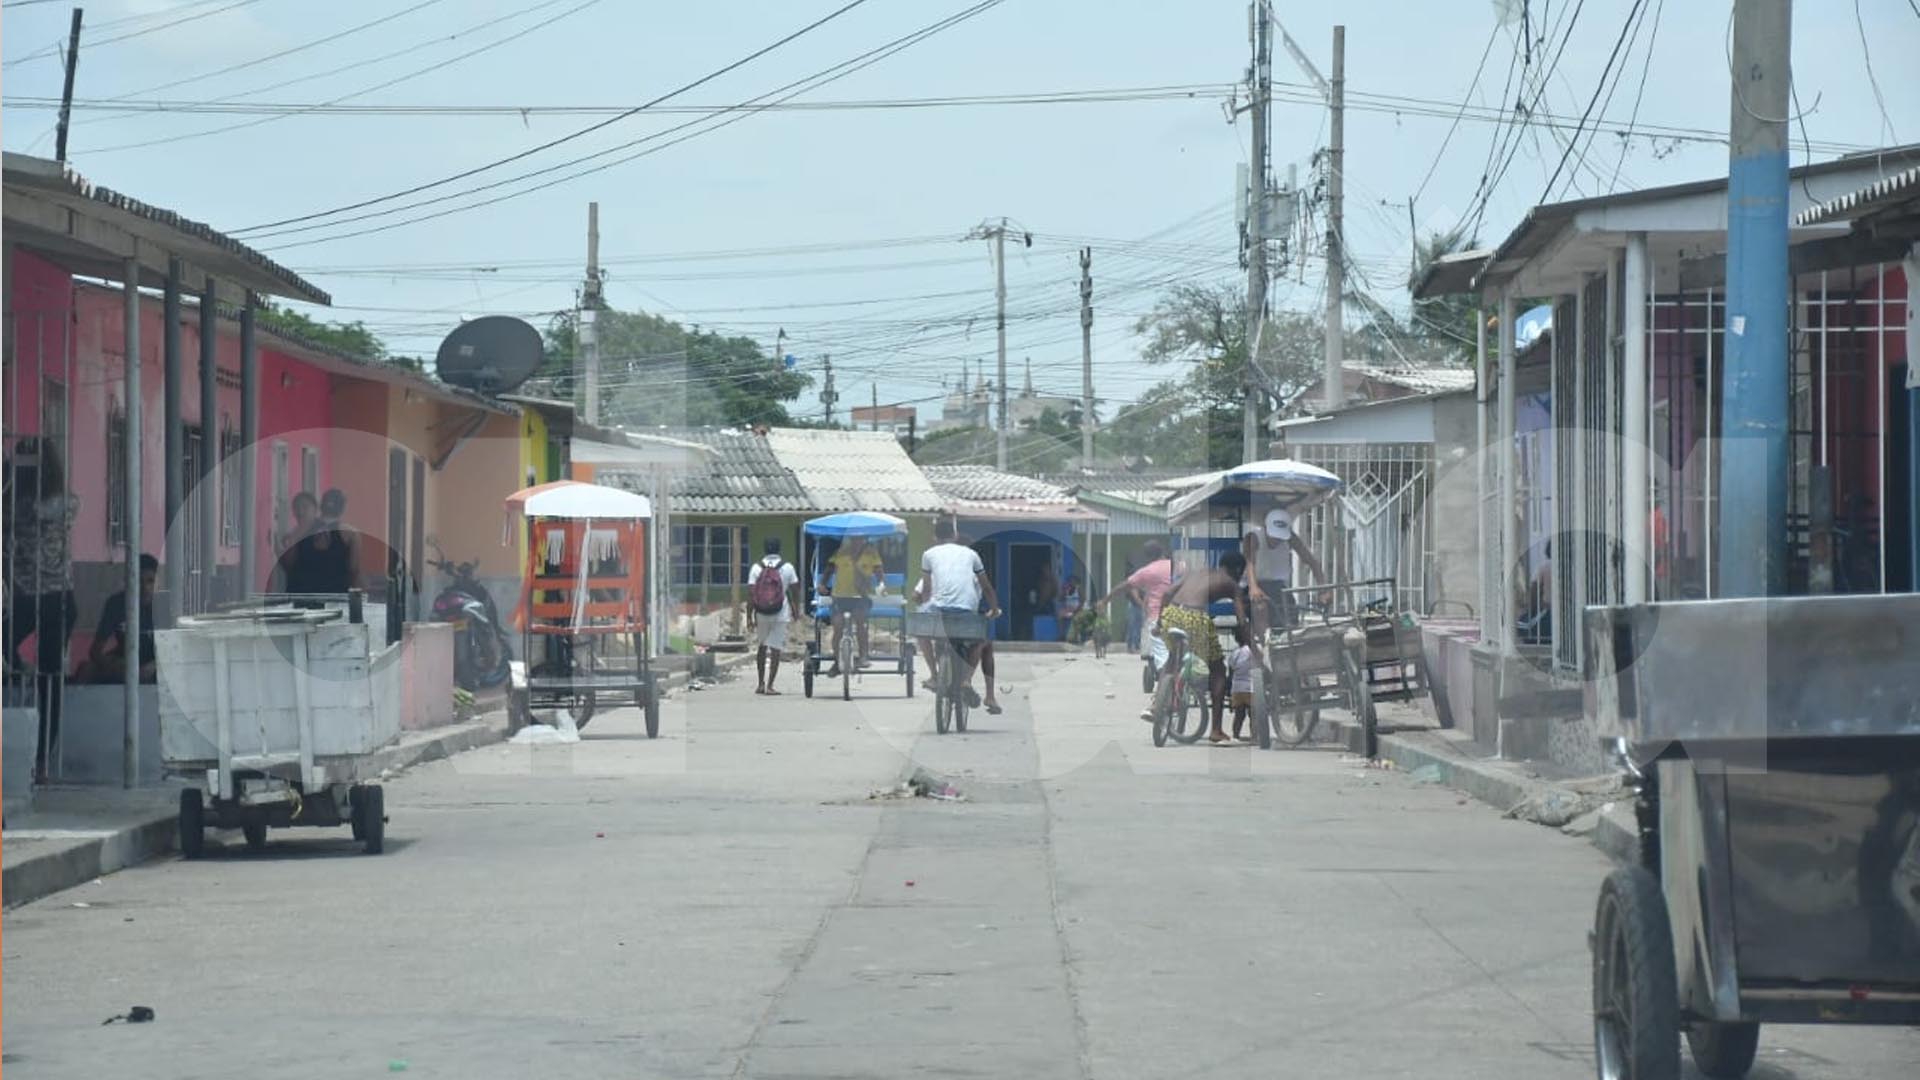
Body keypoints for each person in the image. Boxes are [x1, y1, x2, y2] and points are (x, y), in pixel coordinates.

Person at [4, 438, 78, 781]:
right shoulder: (63, 503)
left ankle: (41, 759)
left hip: (43, 598)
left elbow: (36, 513)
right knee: (48, 679)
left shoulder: (25, 506)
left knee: (48, 676)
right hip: (42, 598)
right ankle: (41, 758)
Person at [1150, 551, 1251, 744]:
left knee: (1173, 658)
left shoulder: (1195, 572)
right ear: (1237, 570)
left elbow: (1168, 593)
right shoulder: (1232, 584)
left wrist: (1159, 624)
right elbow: (1242, 621)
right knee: (1218, 670)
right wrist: (1249, 644)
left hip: (1172, 613)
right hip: (1195, 618)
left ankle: (1156, 704)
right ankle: (1216, 729)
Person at [914, 518, 1001, 710]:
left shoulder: (928, 555)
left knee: (921, 631)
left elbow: (925, 590)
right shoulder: (972, 555)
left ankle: (935, 676)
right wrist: (994, 608)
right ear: (954, 536)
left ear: (935, 537)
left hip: (938, 611)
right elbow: (986, 587)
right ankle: (968, 681)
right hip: (965, 613)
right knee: (982, 641)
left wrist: (923, 607)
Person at [1241, 507, 1328, 639]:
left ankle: (1289, 643)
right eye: (1274, 536)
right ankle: (1266, 644)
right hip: (1253, 585)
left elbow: (1312, 562)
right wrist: (1253, 587)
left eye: (1280, 537)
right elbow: (1250, 563)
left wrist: (1323, 589)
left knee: (1291, 613)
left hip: (1278, 587)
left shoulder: (1291, 538)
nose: (1277, 540)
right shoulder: (1253, 538)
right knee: (1260, 607)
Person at [78, 554, 158, 685]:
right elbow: (95, 651)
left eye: (150, 581)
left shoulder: (166, 605)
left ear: (158, 582)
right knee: (86, 670)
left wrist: (154, 667)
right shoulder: (116, 604)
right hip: (123, 663)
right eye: (138, 581)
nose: (145, 588)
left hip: (153, 667)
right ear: (129, 581)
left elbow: (176, 653)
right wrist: (114, 665)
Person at [746, 538, 801, 696]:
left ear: (764, 549)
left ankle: (760, 684)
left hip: (761, 612)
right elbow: (796, 589)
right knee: (775, 649)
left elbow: (751, 593)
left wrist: (749, 617)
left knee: (762, 647)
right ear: (779, 549)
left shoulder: (756, 568)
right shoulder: (788, 567)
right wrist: (796, 608)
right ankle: (770, 685)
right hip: (780, 613)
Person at [822, 534, 883, 673]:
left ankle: (863, 656)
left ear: (864, 538)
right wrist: (823, 584)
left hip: (861, 597)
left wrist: (881, 584)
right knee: (837, 626)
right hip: (839, 596)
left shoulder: (871, 553)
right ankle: (837, 661)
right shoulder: (840, 552)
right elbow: (829, 569)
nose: (857, 540)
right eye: (854, 537)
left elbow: (879, 570)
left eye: (860, 537)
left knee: (861, 622)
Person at [288, 488, 360, 597]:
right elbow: (353, 569)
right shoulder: (351, 534)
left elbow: (290, 563)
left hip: (303, 594)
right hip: (336, 595)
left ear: (321, 506)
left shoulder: (301, 529)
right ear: (342, 509)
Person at [272, 491, 320, 594]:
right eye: (297, 508)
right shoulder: (291, 535)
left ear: (315, 510)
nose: (300, 512)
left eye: (305, 507)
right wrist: (276, 544)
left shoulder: (321, 533)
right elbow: (287, 563)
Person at [1227, 624, 1256, 742]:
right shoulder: (1253, 651)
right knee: (1252, 714)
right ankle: (1255, 736)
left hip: (1237, 688)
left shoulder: (1235, 653)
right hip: (1251, 687)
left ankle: (1235, 735)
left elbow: (1231, 671)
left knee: (1239, 714)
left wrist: (1228, 691)